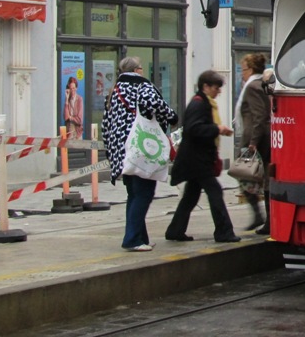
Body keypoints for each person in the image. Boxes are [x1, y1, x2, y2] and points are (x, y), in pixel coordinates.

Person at [101, 56, 178, 252]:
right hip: (142, 149)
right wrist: (171, 116)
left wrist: (113, 153)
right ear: (136, 70)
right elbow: (155, 105)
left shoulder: (114, 91)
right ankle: (132, 239)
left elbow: (106, 125)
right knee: (144, 193)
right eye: (141, 68)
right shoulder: (142, 86)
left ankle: (140, 236)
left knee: (134, 194)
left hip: (123, 152)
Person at [165, 70, 240, 243]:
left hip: (196, 160)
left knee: (190, 197)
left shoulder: (202, 102)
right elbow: (193, 129)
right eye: (216, 88)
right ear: (205, 86)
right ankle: (224, 232)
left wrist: (218, 129)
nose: (219, 91)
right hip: (197, 160)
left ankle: (175, 231)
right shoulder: (199, 104)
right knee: (215, 192)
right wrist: (217, 129)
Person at [235, 53, 271, 233]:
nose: (242, 74)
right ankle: (264, 218)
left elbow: (260, 116)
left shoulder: (253, 87)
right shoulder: (260, 84)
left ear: (252, 69)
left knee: (249, 176)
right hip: (259, 138)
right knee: (259, 179)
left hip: (256, 140)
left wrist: (253, 142)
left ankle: (264, 218)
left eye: (244, 70)